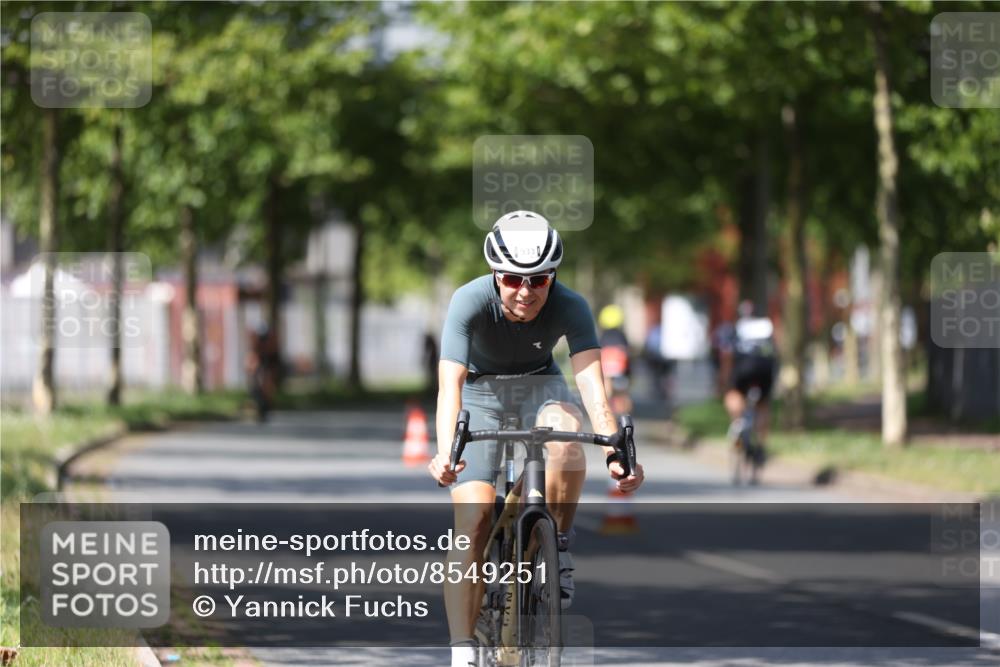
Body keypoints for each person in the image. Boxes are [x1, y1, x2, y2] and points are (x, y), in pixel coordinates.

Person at [427, 210, 645, 667]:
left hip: (539, 386)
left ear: (553, 277)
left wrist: (615, 452)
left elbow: (592, 387)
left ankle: (554, 548)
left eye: (539, 280)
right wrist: (446, 451)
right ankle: (462, 651)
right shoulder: (468, 301)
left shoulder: (572, 305)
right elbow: (450, 386)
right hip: (480, 393)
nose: (525, 292)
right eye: (511, 279)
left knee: (566, 437)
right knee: (473, 520)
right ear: (494, 273)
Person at [716, 300, 777, 451]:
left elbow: (727, 354)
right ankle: (761, 445)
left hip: (744, 366)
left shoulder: (735, 329)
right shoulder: (766, 326)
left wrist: (724, 380)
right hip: (765, 367)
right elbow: (776, 351)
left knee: (733, 394)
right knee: (763, 405)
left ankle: (738, 423)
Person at [597, 304, 632, 414]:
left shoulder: (602, 337)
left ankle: (604, 412)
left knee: (606, 389)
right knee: (623, 392)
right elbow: (628, 354)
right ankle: (624, 415)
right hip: (620, 366)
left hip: (606, 365)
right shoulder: (621, 336)